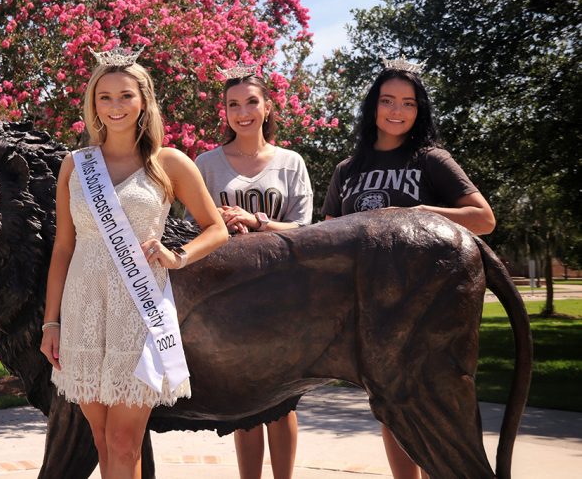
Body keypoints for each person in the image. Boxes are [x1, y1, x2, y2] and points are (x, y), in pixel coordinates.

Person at [39, 48, 228, 479]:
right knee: (103, 439)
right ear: (93, 104)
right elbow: (63, 248)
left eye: (125, 95)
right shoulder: (76, 165)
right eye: (104, 97)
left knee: (125, 441)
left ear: (144, 100)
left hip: (138, 311)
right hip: (84, 306)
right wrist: (52, 323)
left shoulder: (169, 162)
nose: (115, 106)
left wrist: (177, 257)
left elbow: (215, 228)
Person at [321, 57, 496, 479]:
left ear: (419, 111)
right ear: (372, 107)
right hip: (372, 310)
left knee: (433, 405)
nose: (397, 111)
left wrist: (418, 213)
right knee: (390, 406)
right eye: (387, 101)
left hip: (428, 308)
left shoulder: (431, 160)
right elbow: (328, 233)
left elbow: (484, 218)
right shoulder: (348, 169)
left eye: (408, 103)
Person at [193, 64, 312, 479]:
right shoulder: (205, 164)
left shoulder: (290, 162)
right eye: (233, 105)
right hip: (227, 296)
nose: (242, 112)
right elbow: (190, 226)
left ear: (267, 107)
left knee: (281, 401)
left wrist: (259, 221)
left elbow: (306, 228)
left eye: (251, 102)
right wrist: (218, 225)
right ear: (224, 112)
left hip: (281, 293)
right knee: (244, 403)